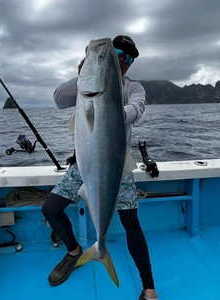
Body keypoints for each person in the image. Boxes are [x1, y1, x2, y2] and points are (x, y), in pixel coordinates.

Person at [42, 35, 158, 300]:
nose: (124, 61)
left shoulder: (133, 87)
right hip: (83, 163)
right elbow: (59, 98)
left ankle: (149, 286)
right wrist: (83, 75)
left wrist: (109, 106)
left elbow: (137, 109)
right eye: (118, 53)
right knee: (50, 209)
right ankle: (73, 252)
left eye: (130, 58)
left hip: (119, 165)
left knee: (131, 223)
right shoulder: (85, 86)